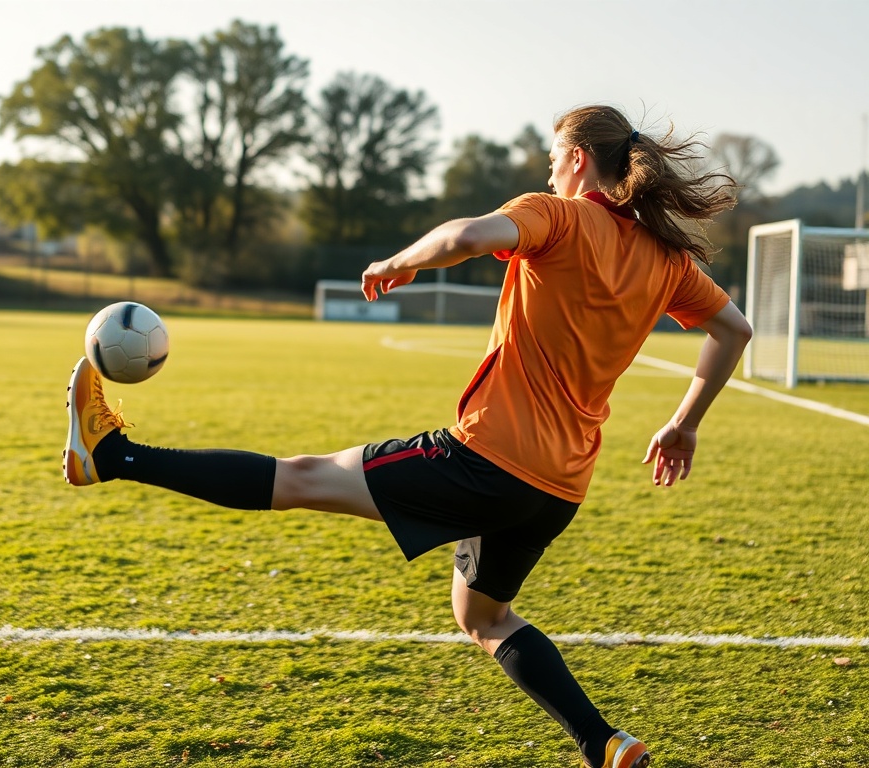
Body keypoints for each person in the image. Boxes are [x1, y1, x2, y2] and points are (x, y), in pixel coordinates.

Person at [63, 104, 752, 768]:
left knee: (300, 477)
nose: (547, 174)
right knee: (484, 619)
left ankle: (112, 456)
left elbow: (465, 237)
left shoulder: (559, 216)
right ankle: (605, 744)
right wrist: (683, 423)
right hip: (557, 490)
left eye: (551, 161)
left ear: (577, 159)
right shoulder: (665, 259)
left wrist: (400, 262)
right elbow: (734, 331)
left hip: (487, 460)